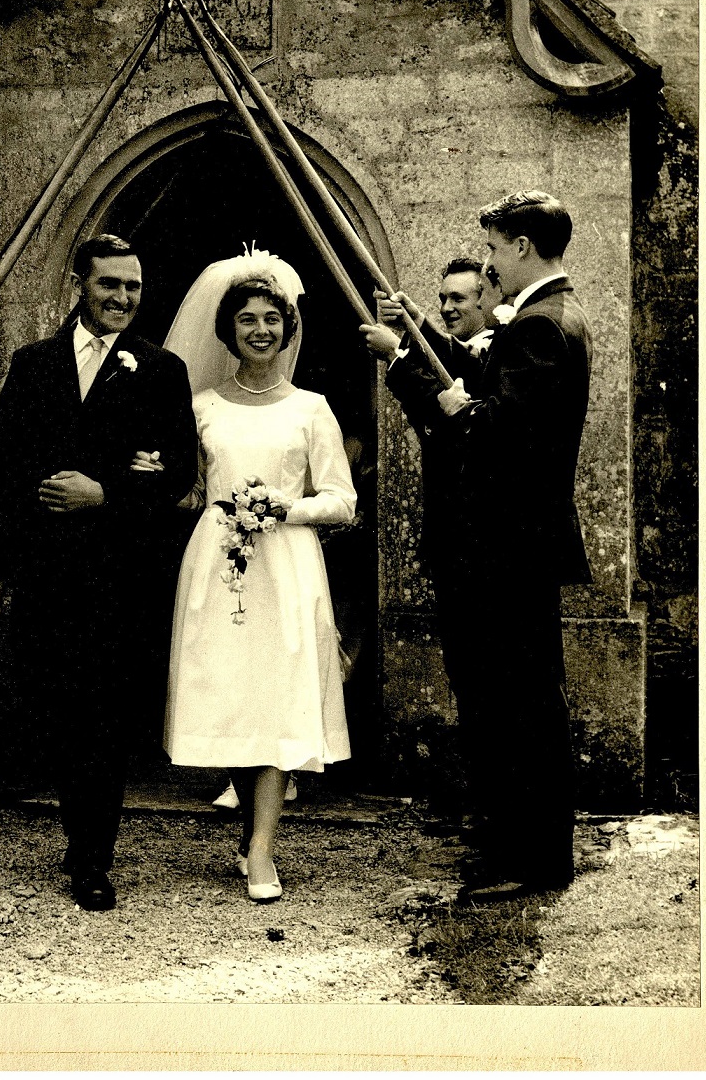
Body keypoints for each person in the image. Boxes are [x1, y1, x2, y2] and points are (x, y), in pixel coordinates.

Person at [365, 191, 593, 901]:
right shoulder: (540, 320)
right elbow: (473, 372)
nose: (490, 262)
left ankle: (529, 859)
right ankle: (515, 846)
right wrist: (413, 340)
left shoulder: (540, 327)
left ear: (522, 245)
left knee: (513, 706)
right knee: (509, 702)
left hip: (505, 551)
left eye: (494, 248)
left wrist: (449, 403)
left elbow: (494, 430)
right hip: (507, 549)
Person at [0, 234, 198, 911]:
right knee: (53, 702)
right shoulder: (34, 363)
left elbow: (178, 474)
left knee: (102, 714)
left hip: (118, 576)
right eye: (109, 285)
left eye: (132, 287)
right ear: (80, 285)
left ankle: (92, 854)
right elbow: (4, 468)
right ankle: (79, 825)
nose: (122, 298)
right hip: (46, 571)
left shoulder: (160, 371)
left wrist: (105, 492)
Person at [161, 251, 356, 903]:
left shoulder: (310, 408)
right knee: (235, 699)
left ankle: (262, 848)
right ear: (229, 330)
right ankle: (248, 829)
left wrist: (285, 506)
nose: (260, 330)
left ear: (288, 327)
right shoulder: (203, 407)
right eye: (247, 319)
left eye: (271, 319)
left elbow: (341, 500)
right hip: (218, 563)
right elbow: (189, 492)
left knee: (275, 702)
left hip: (287, 563)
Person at [361, 255, 498, 825]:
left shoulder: (506, 349)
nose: (447, 309)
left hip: (485, 548)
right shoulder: (477, 348)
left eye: (457, 301)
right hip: (459, 545)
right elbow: (452, 360)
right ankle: (487, 813)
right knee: (473, 687)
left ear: (487, 299)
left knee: (491, 690)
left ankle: (498, 820)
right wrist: (417, 326)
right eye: (440, 300)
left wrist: (396, 355)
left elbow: (453, 414)